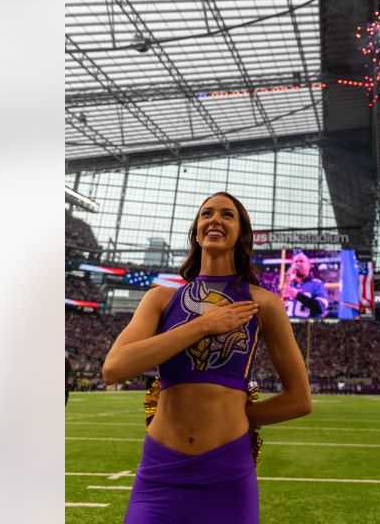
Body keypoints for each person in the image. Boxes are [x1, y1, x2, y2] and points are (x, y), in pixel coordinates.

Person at [103, 192, 313, 524]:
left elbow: (300, 400)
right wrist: (204, 325)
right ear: (197, 231)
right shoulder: (160, 298)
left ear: (241, 234)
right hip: (160, 470)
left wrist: (238, 418)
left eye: (227, 215)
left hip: (227, 472)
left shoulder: (263, 303)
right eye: (207, 214)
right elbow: (114, 368)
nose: (215, 219)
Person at [280, 250, 329, 318]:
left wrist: (298, 295)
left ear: (309, 265)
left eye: (301, 261)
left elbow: (320, 308)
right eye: (296, 261)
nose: (298, 263)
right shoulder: (289, 285)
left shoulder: (317, 284)